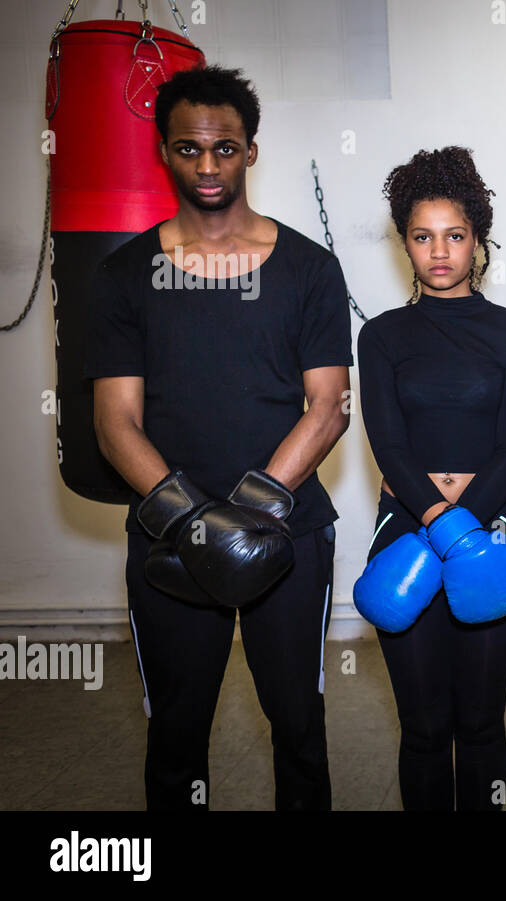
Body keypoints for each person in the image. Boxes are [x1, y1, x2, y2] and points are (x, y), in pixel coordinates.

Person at [84, 66, 352, 810]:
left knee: (298, 721)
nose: (208, 166)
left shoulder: (310, 269)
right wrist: (199, 524)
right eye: (190, 149)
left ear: (251, 152)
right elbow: (115, 421)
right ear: (164, 153)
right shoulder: (123, 276)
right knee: (176, 733)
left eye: (225, 149)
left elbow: (328, 405)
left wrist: (253, 513)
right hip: (170, 539)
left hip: (288, 534)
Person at [355, 146, 506, 811]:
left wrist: (464, 529)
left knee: (482, 722)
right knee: (425, 727)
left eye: (455, 235)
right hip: (404, 527)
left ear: (477, 240)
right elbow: (387, 442)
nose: (440, 251)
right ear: (405, 241)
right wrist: (441, 520)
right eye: (423, 235)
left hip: (495, 527)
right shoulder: (380, 337)